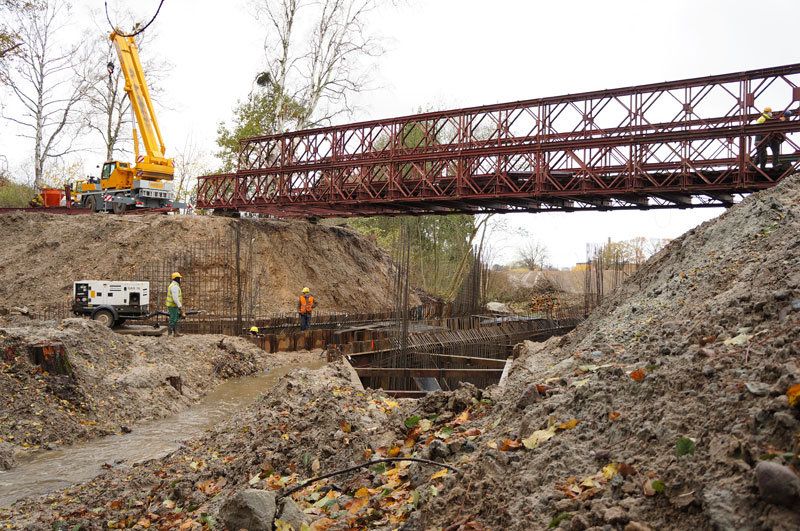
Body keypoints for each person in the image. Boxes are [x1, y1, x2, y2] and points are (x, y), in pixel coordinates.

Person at [166, 272, 186, 337]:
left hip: (173, 306)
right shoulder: (174, 287)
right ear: (177, 278)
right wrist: (180, 307)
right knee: (173, 319)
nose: (181, 280)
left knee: (176, 319)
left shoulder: (174, 285)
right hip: (173, 306)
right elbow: (175, 299)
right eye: (180, 278)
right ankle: (169, 334)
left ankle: (176, 333)